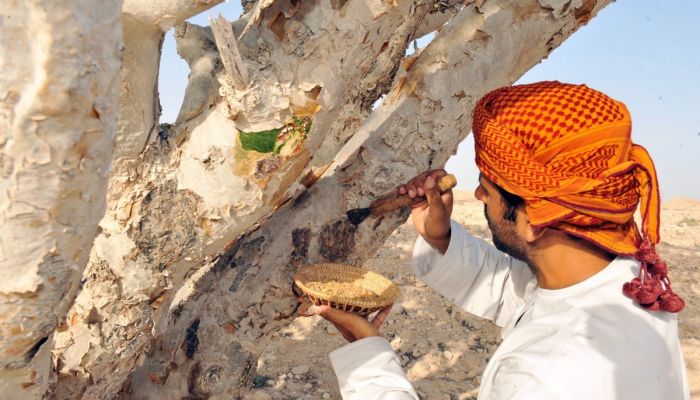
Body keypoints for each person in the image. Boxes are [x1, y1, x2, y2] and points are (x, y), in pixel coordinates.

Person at [308, 81, 690, 399]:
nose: (478, 197)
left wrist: (370, 357)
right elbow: (520, 293)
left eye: (487, 189)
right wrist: (438, 235)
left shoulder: (546, 378)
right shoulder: (624, 280)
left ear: (536, 222)